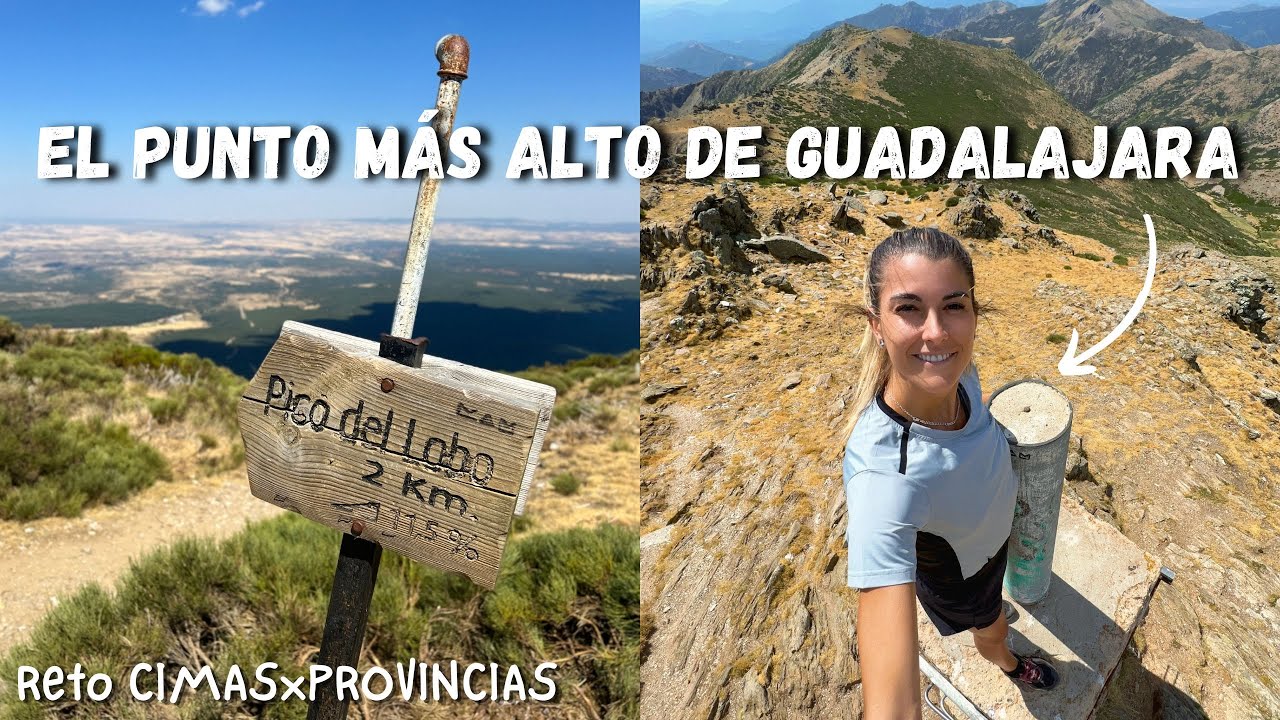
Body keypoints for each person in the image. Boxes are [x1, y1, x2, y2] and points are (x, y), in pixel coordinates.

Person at [842, 227, 1059, 718]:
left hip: (993, 540)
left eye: (954, 305)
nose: (936, 331)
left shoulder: (961, 373)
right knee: (993, 627)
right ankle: (1007, 662)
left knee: (998, 610)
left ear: (974, 312)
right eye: (909, 308)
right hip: (966, 578)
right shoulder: (883, 477)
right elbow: (892, 701)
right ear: (876, 323)